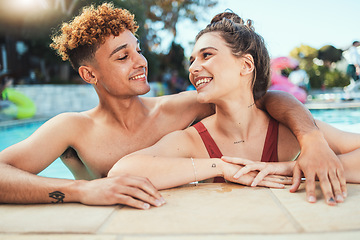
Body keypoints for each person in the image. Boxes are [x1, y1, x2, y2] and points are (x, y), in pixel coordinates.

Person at [0, 4, 343, 208]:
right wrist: (83, 190)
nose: (140, 61)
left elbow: (261, 99)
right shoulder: (72, 128)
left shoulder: (183, 107)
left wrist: (310, 139)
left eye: (137, 49)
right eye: (123, 56)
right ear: (89, 73)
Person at [108, 11, 358, 206]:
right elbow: (121, 172)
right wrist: (222, 167)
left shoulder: (288, 132)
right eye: (192, 60)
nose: (193, 69)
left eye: (207, 55)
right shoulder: (194, 141)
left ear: (246, 65)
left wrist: (296, 167)